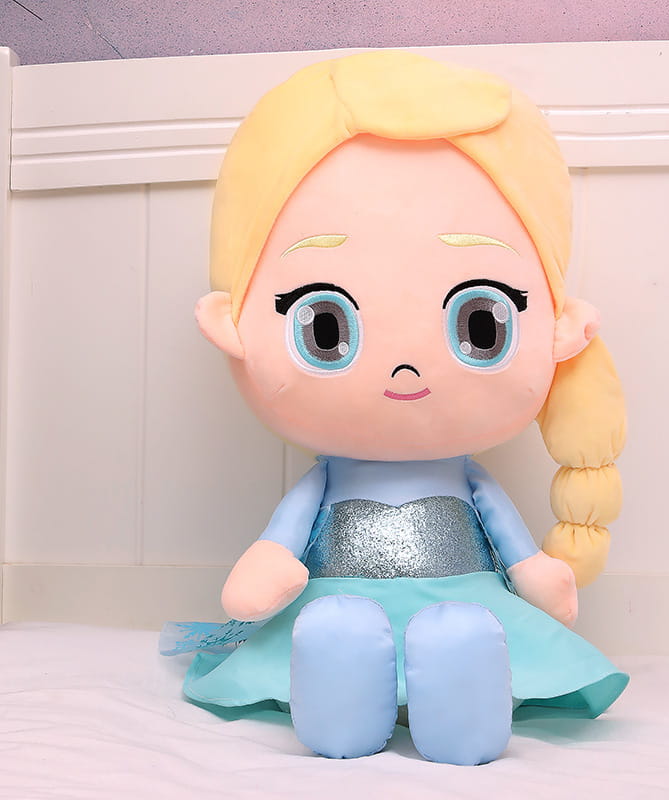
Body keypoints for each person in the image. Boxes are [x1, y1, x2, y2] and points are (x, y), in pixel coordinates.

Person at [165, 50, 628, 766]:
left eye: (482, 324)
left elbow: (514, 546)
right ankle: (341, 696)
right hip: (331, 602)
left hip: (470, 602)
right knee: (338, 630)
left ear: (560, 328)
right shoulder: (329, 479)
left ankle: (461, 696)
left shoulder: (468, 479)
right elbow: (279, 546)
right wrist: (266, 565)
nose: (405, 368)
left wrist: (537, 571)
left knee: (460, 633)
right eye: (325, 327)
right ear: (232, 323)